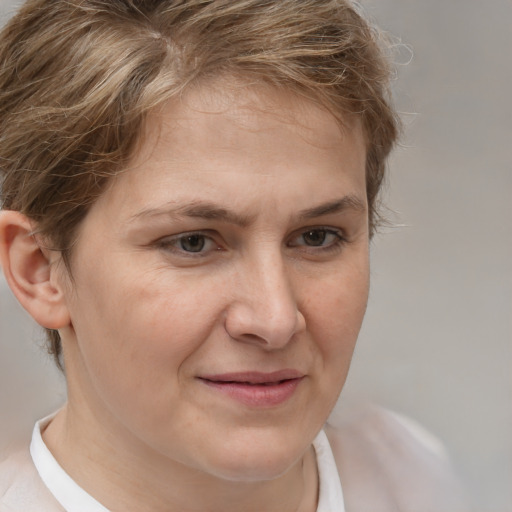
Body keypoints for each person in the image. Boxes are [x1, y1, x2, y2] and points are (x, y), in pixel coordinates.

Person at [0, 1, 467, 511]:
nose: (275, 319)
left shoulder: (416, 476)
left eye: (317, 237)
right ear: (40, 271)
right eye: (193, 242)